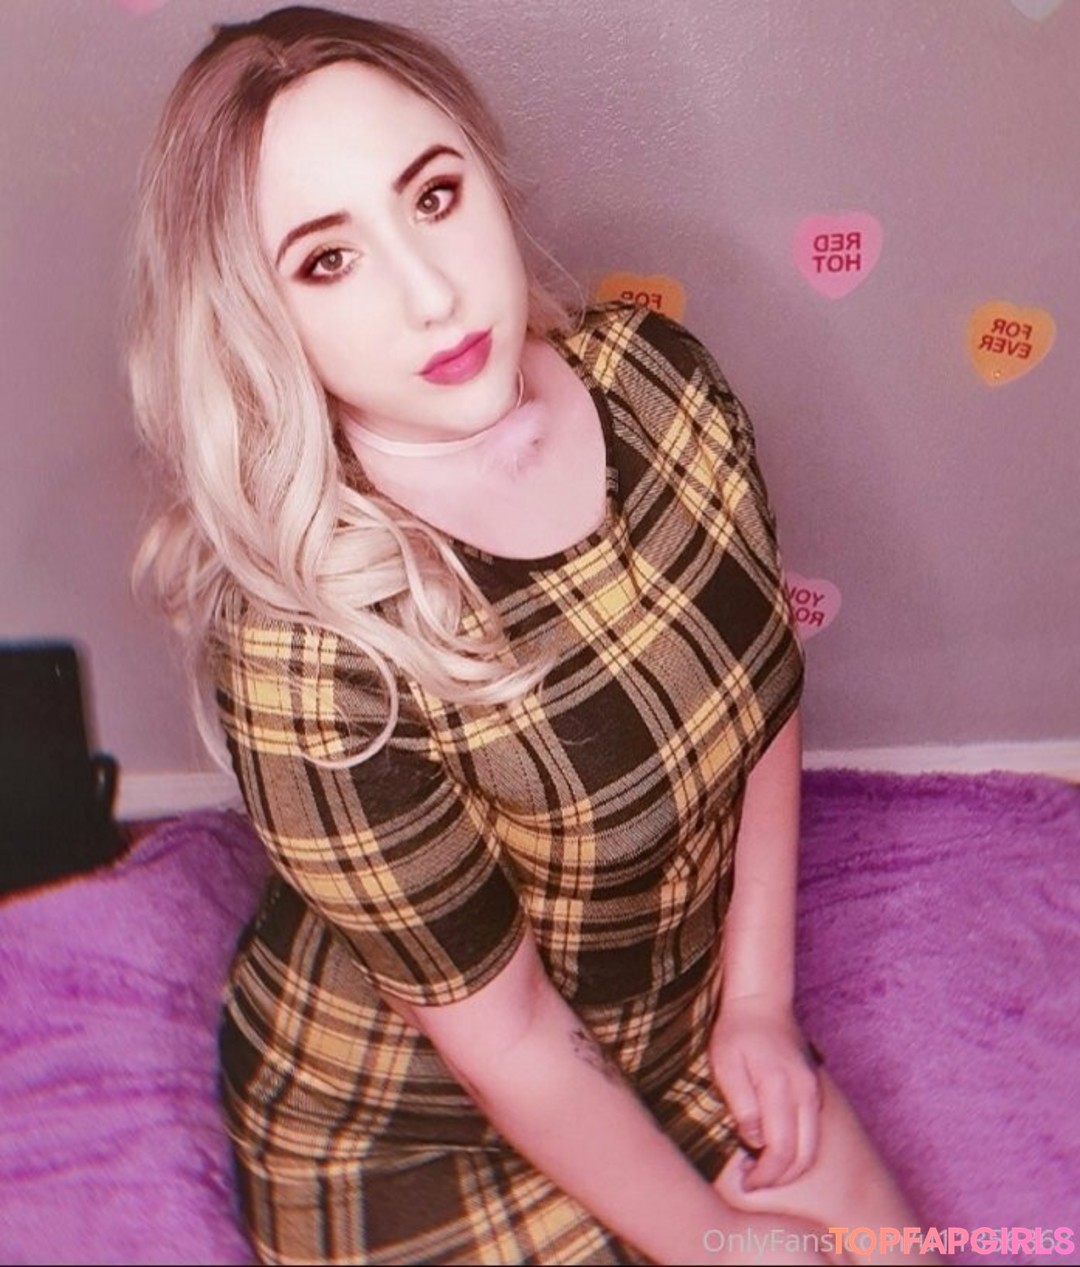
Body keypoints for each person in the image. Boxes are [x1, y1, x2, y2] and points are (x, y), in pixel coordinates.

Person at [128, 7, 943, 1265]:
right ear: (255, 319)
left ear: (487, 178)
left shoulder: (660, 383)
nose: (432, 292)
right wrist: (719, 1241)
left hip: (676, 1028)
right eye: (328, 261)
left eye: (434, 196)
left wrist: (758, 1002)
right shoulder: (303, 657)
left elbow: (761, 694)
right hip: (413, 1126)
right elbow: (507, 1037)